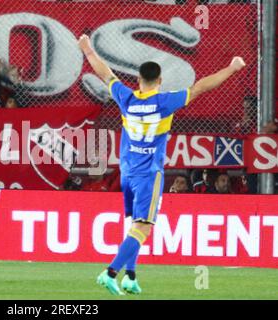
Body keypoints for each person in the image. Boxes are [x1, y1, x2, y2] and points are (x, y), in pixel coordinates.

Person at [78, 34, 246, 295]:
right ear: (160, 81)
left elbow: (106, 73)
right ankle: (110, 272)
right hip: (149, 175)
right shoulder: (164, 102)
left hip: (127, 172)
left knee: (135, 224)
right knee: (144, 227)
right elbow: (202, 86)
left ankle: (130, 276)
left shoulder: (127, 98)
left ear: (138, 81)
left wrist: (88, 50)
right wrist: (232, 68)